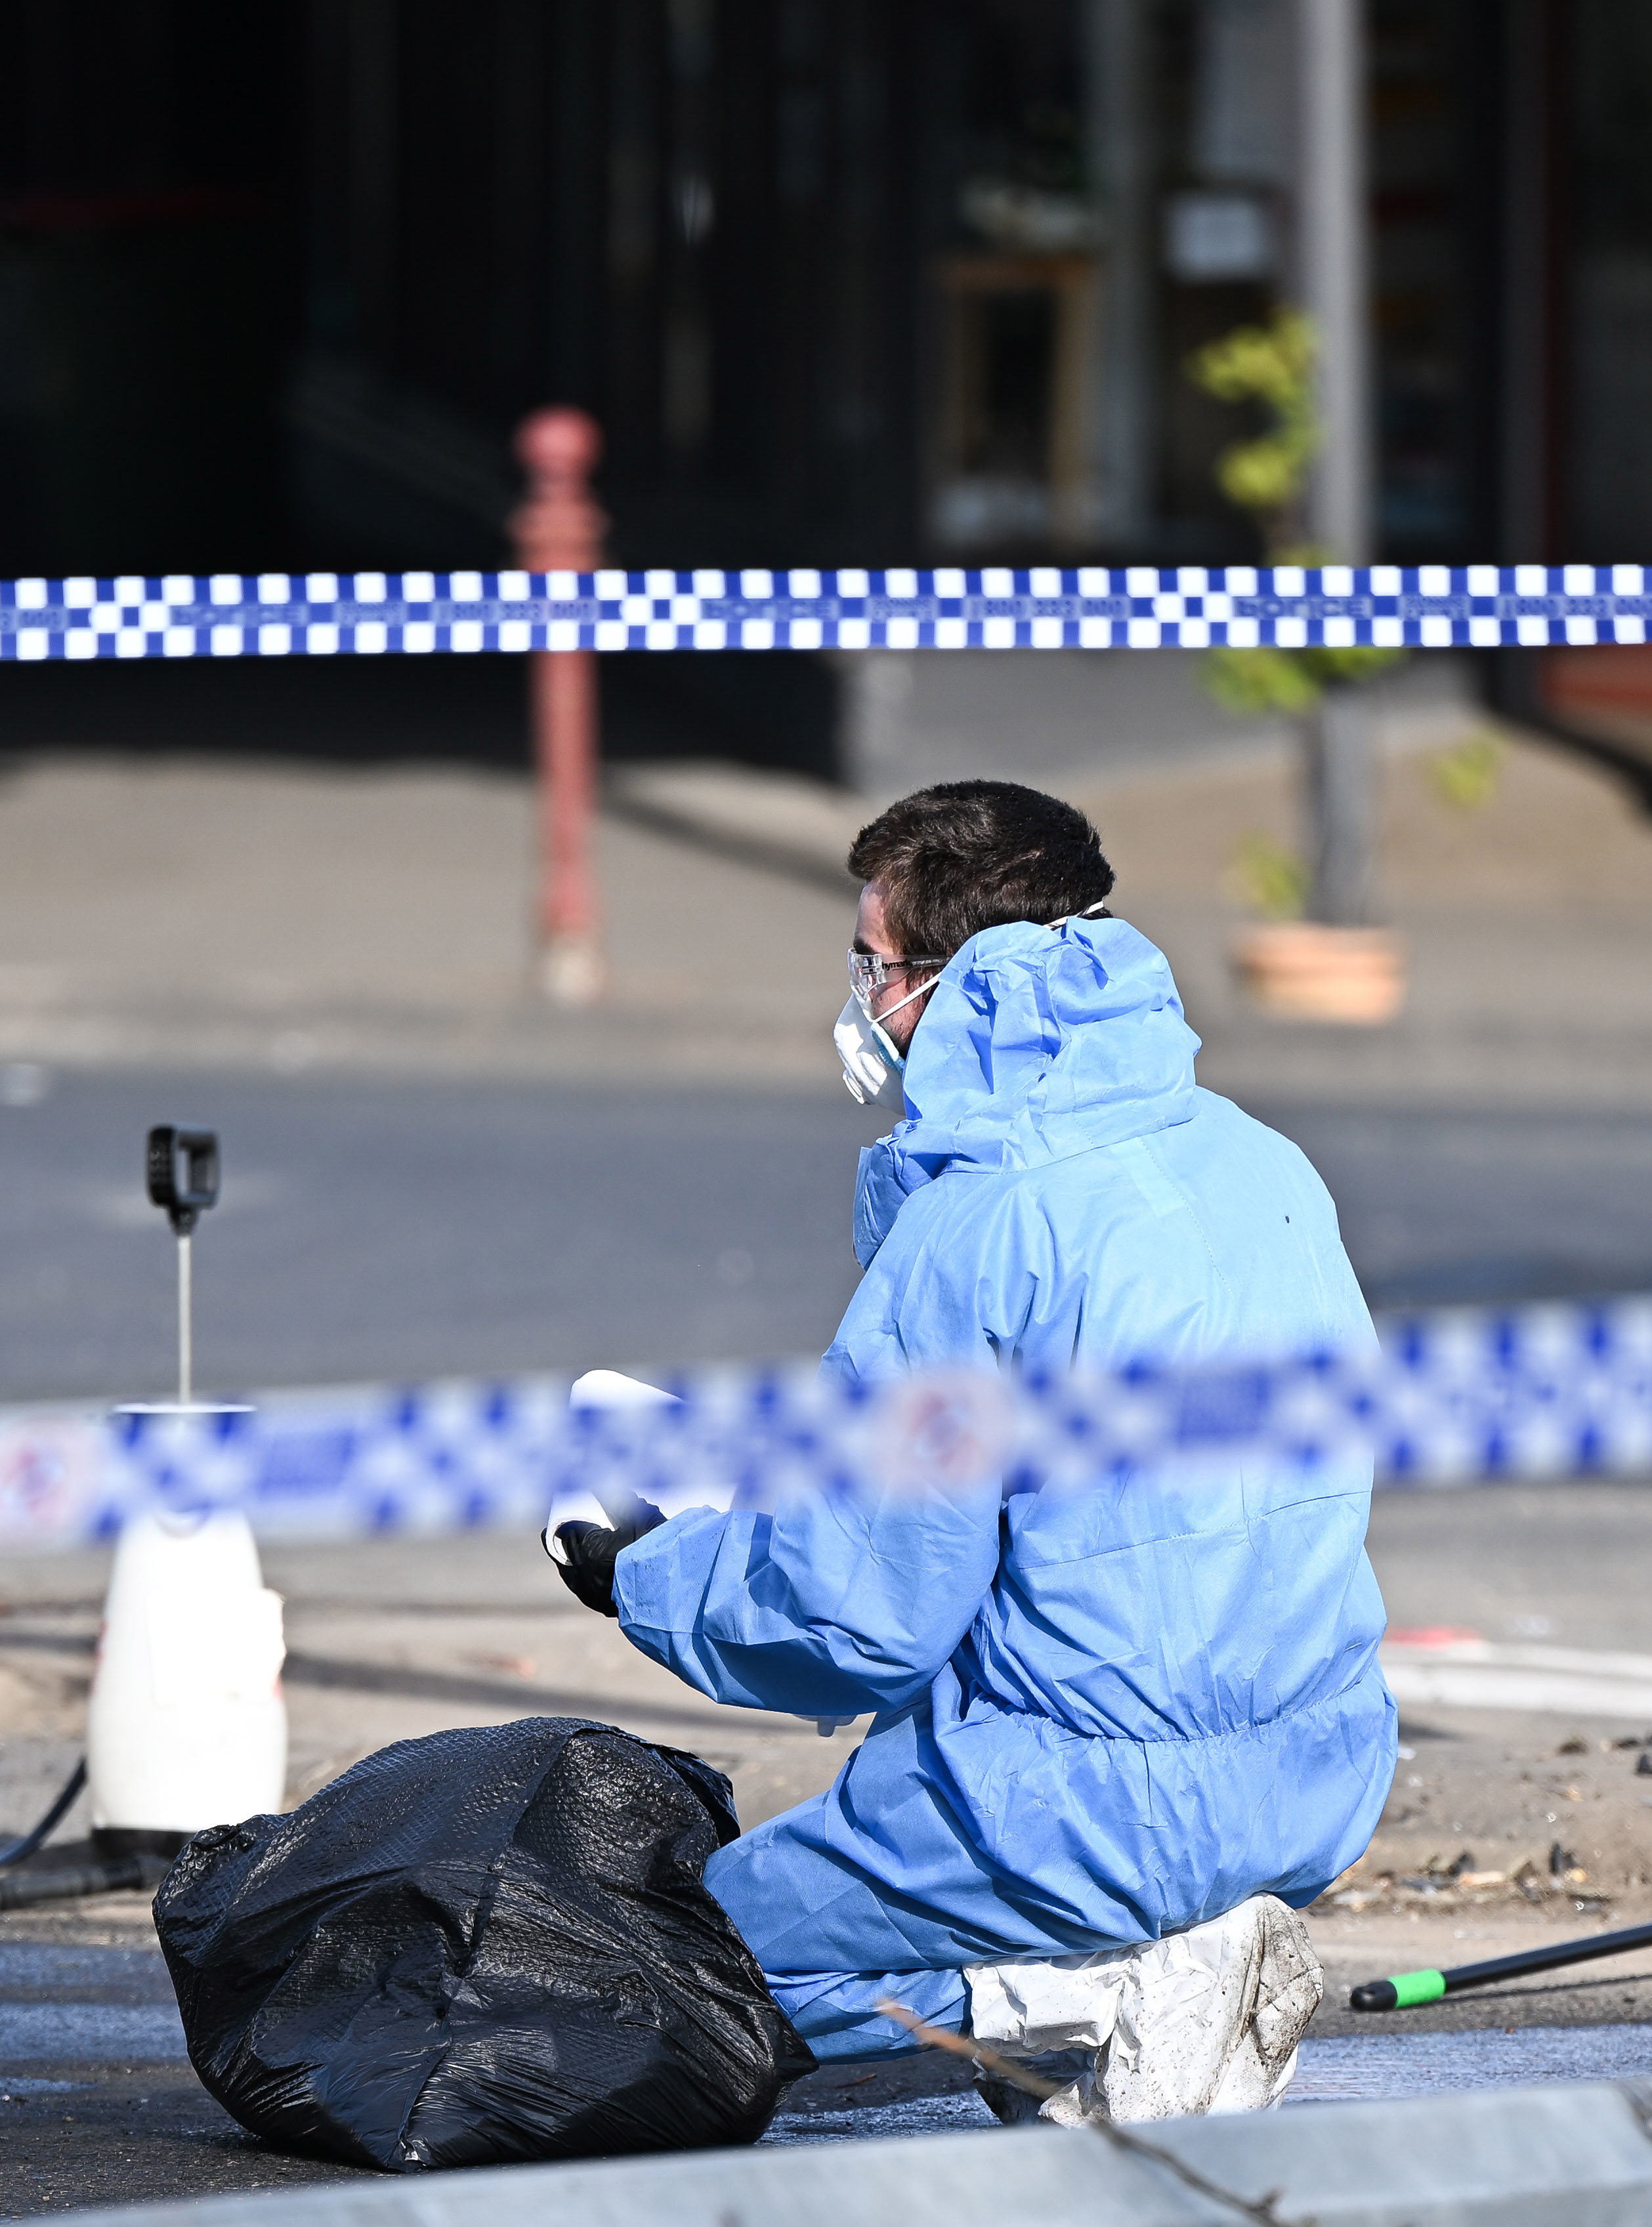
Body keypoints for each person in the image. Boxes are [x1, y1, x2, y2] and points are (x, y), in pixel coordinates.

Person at [553, 779, 1394, 2124]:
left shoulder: (980, 1227)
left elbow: (859, 1618)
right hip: (1314, 1776)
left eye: (868, 964)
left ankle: (1093, 1993)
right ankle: (1126, 1978)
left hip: (1072, 1815)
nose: (859, 998)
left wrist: (646, 1571)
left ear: (938, 982)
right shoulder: (1263, 1166)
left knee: (671, 1971)